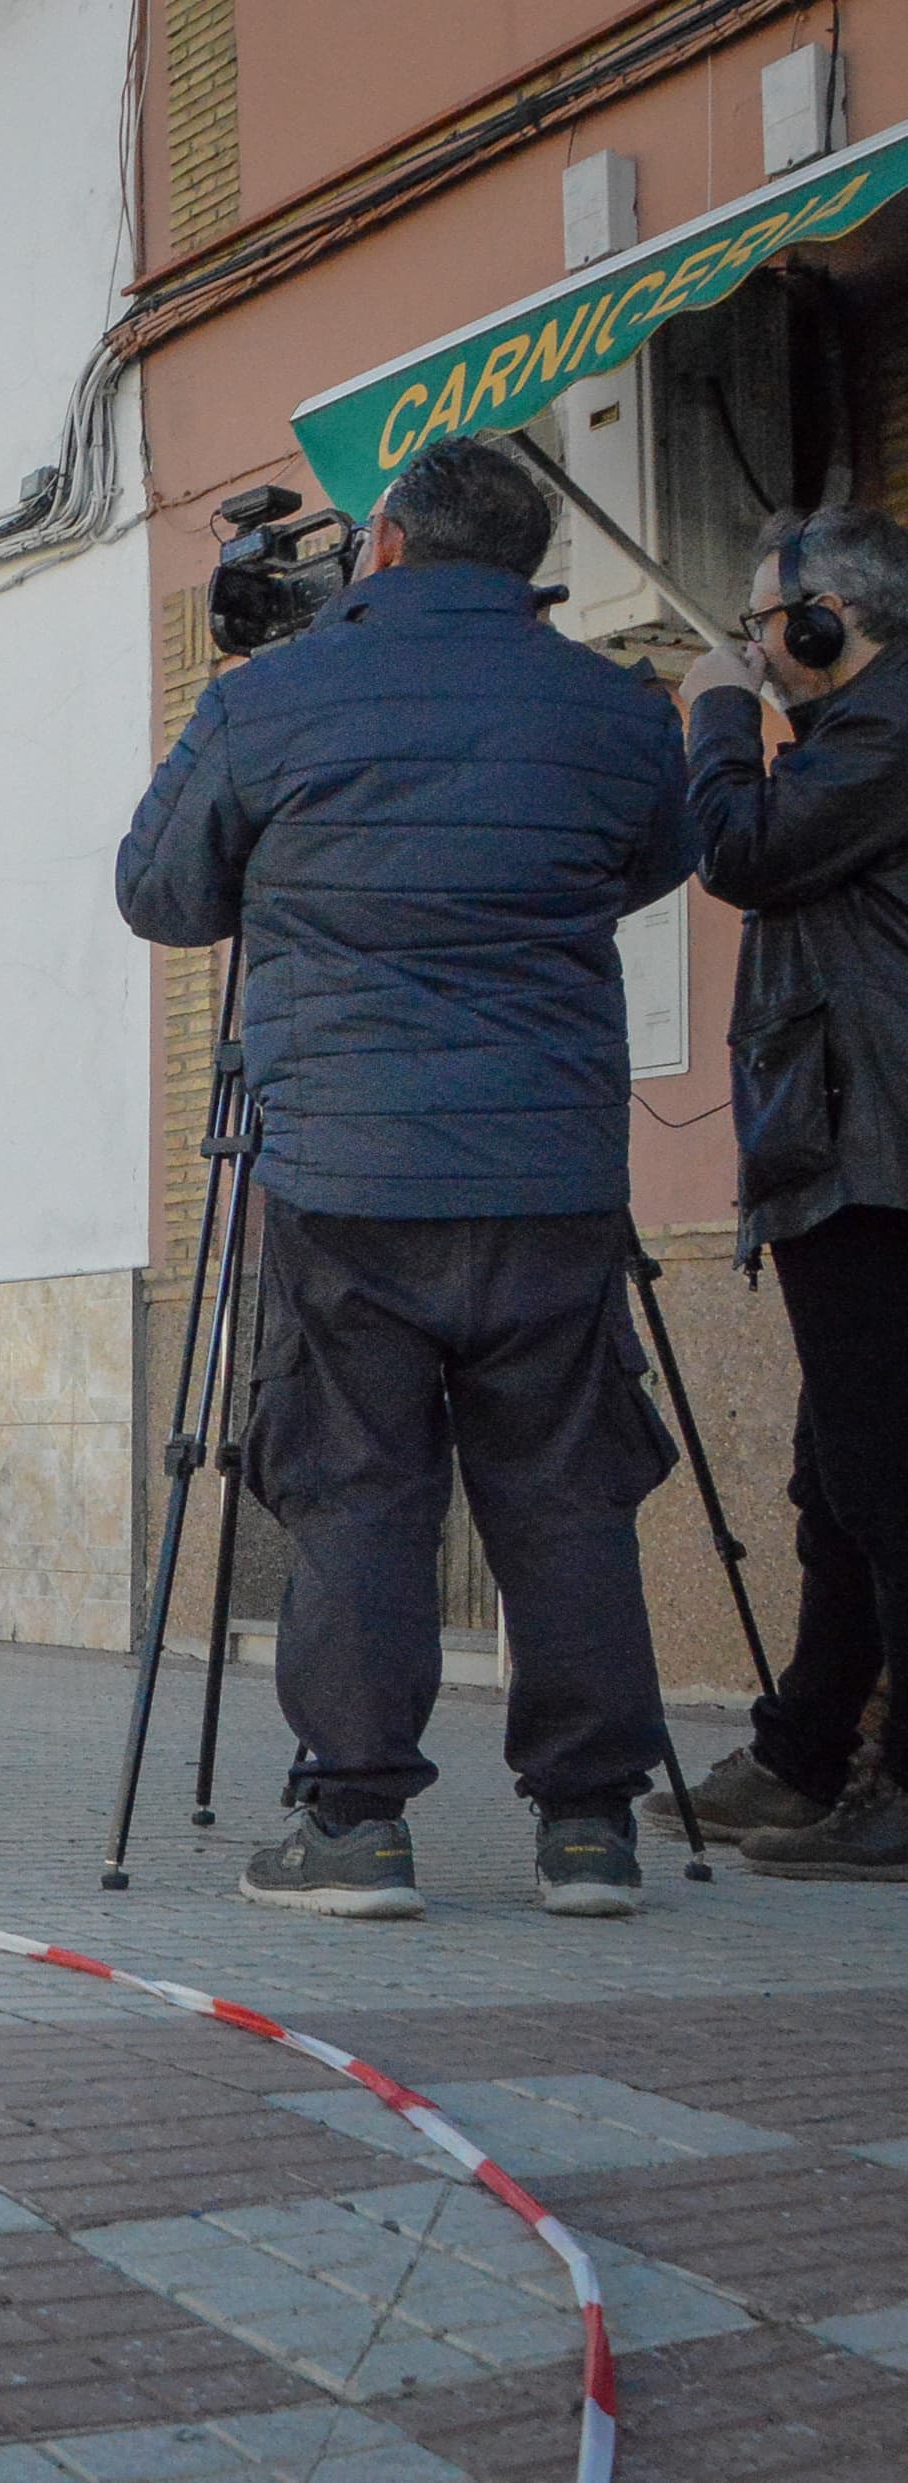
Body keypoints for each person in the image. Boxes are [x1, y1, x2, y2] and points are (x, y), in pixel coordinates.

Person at [117, 432, 696, 1922]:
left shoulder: (266, 699)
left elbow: (159, 890)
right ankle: (590, 1827)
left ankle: (356, 1823)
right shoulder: (615, 710)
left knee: (358, 1485)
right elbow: (649, 859)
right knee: (565, 1490)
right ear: (525, 563)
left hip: (344, 1166)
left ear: (380, 546)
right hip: (548, 1165)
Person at [665, 505, 908, 1881]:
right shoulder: (854, 737)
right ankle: (805, 1749)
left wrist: (715, 710)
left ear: (831, 621)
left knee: (883, 1478)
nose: (754, 646)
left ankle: (893, 1782)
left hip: (876, 1155)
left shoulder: (886, 731)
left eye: (766, 623)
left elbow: (738, 849)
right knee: (840, 1473)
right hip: (849, 1148)